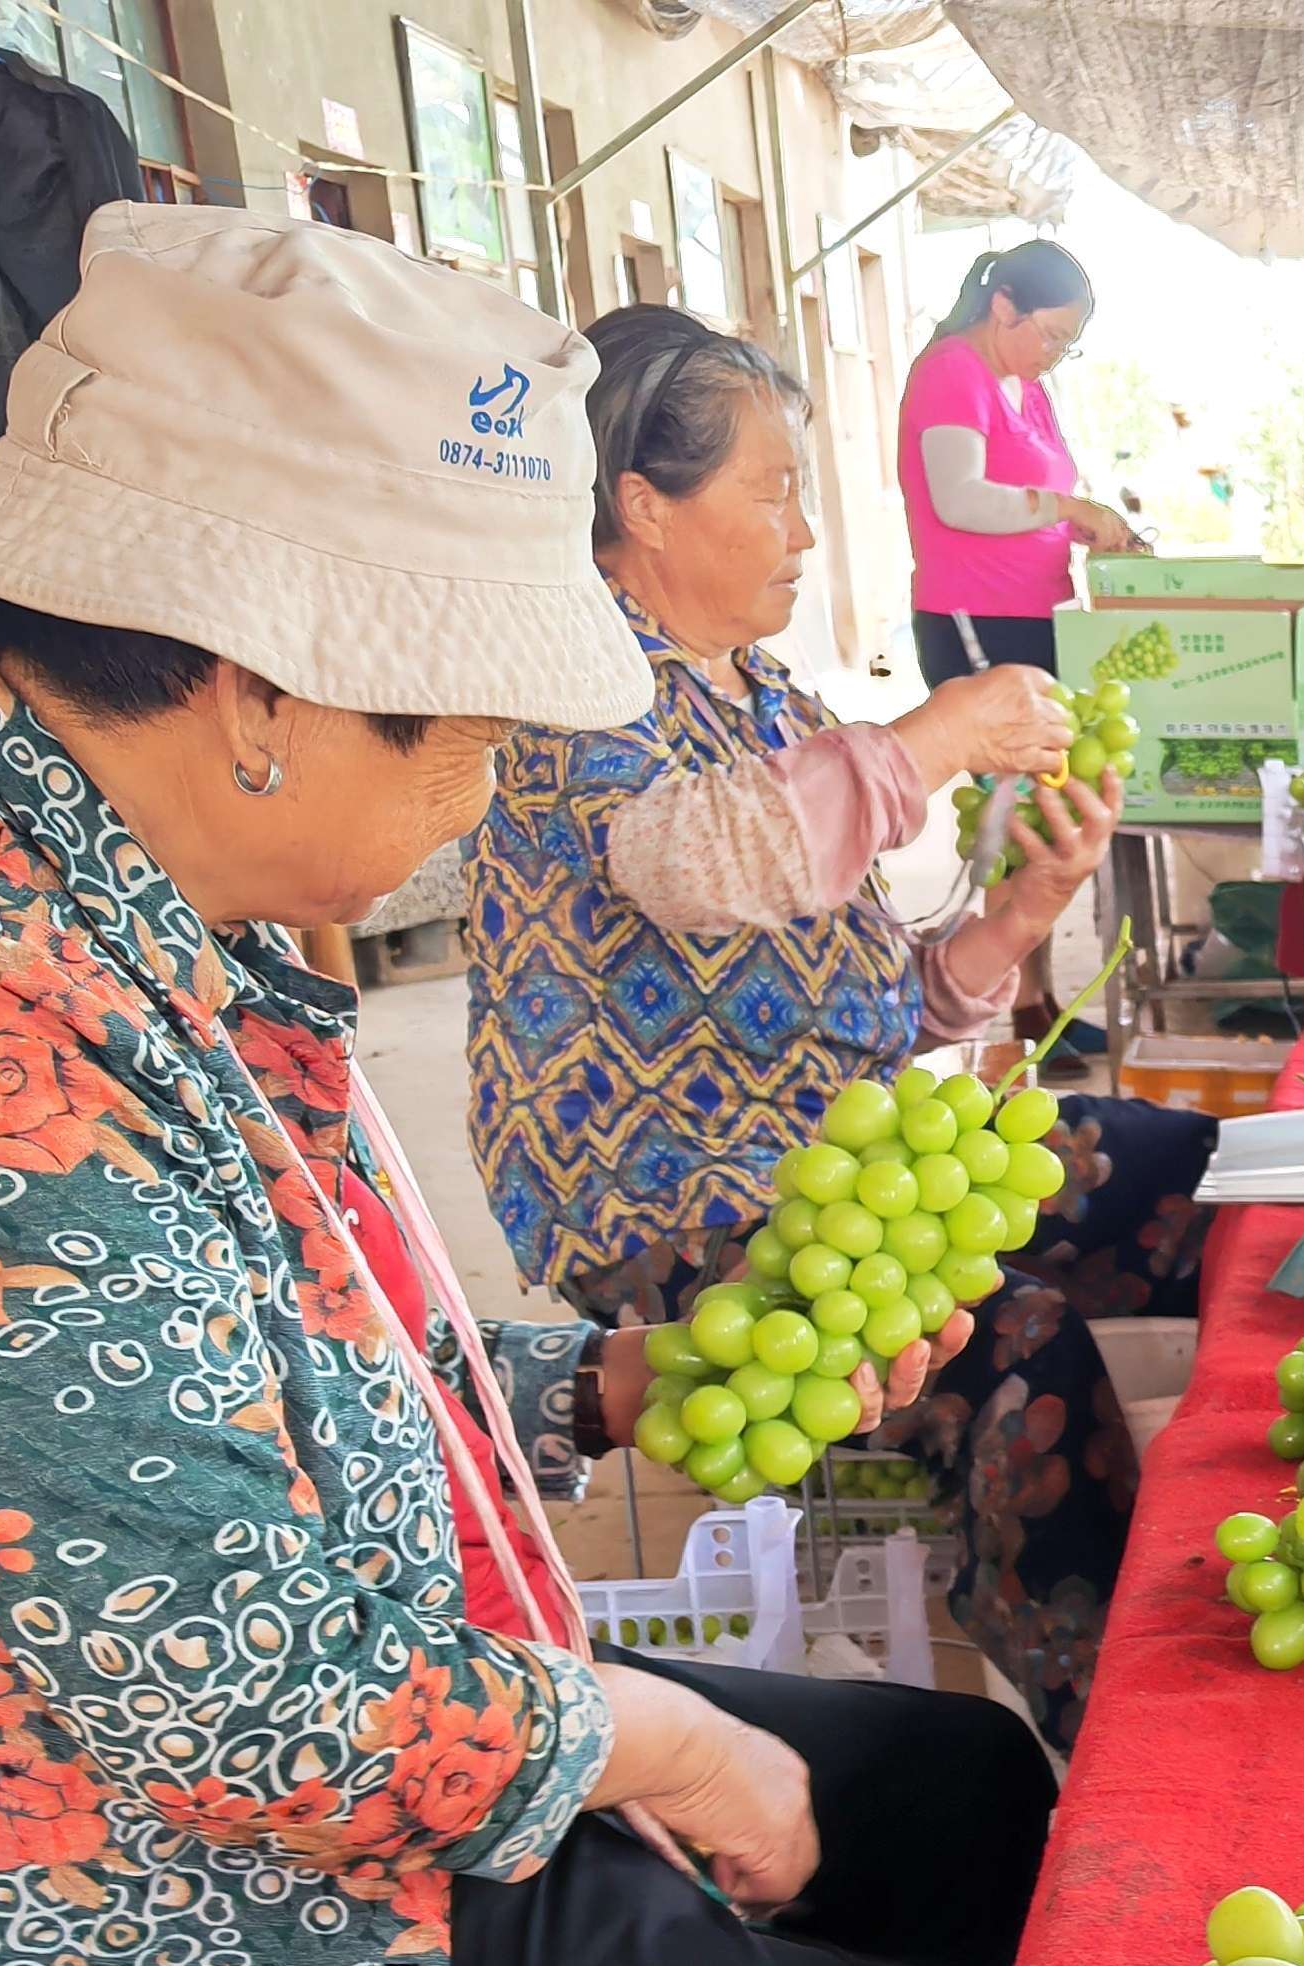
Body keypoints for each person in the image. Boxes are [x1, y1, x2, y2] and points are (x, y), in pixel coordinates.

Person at [0, 209, 1054, 1966]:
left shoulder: (75, 853)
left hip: (338, 1730)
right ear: (257, 689)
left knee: (966, 1794)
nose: (483, 789)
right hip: (126, 1922)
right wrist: (673, 1741)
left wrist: (604, 1388)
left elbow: (255, 1363)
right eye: (451, 732)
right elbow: (246, 1713)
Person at [469, 306, 1206, 1748]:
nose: (807, 526)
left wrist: (1008, 921)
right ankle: (1114, 1727)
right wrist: (933, 737)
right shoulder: (569, 694)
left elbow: (864, 1003)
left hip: (838, 1166)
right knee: (1013, 1342)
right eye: (772, 487)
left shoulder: (761, 693)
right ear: (643, 507)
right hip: (671, 1207)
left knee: (1173, 1170)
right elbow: (700, 862)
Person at [900, 239, 1140, 685]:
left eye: (1067, 345)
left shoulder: (1027, 387)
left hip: (1042, 611)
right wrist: (1068, 509)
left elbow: (1030, 499)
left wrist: (1080, 526)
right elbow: (960, 499)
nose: (1054, 354)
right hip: (980, 615)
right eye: (1051, 335)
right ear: (1004, 307)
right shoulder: (952, 370)